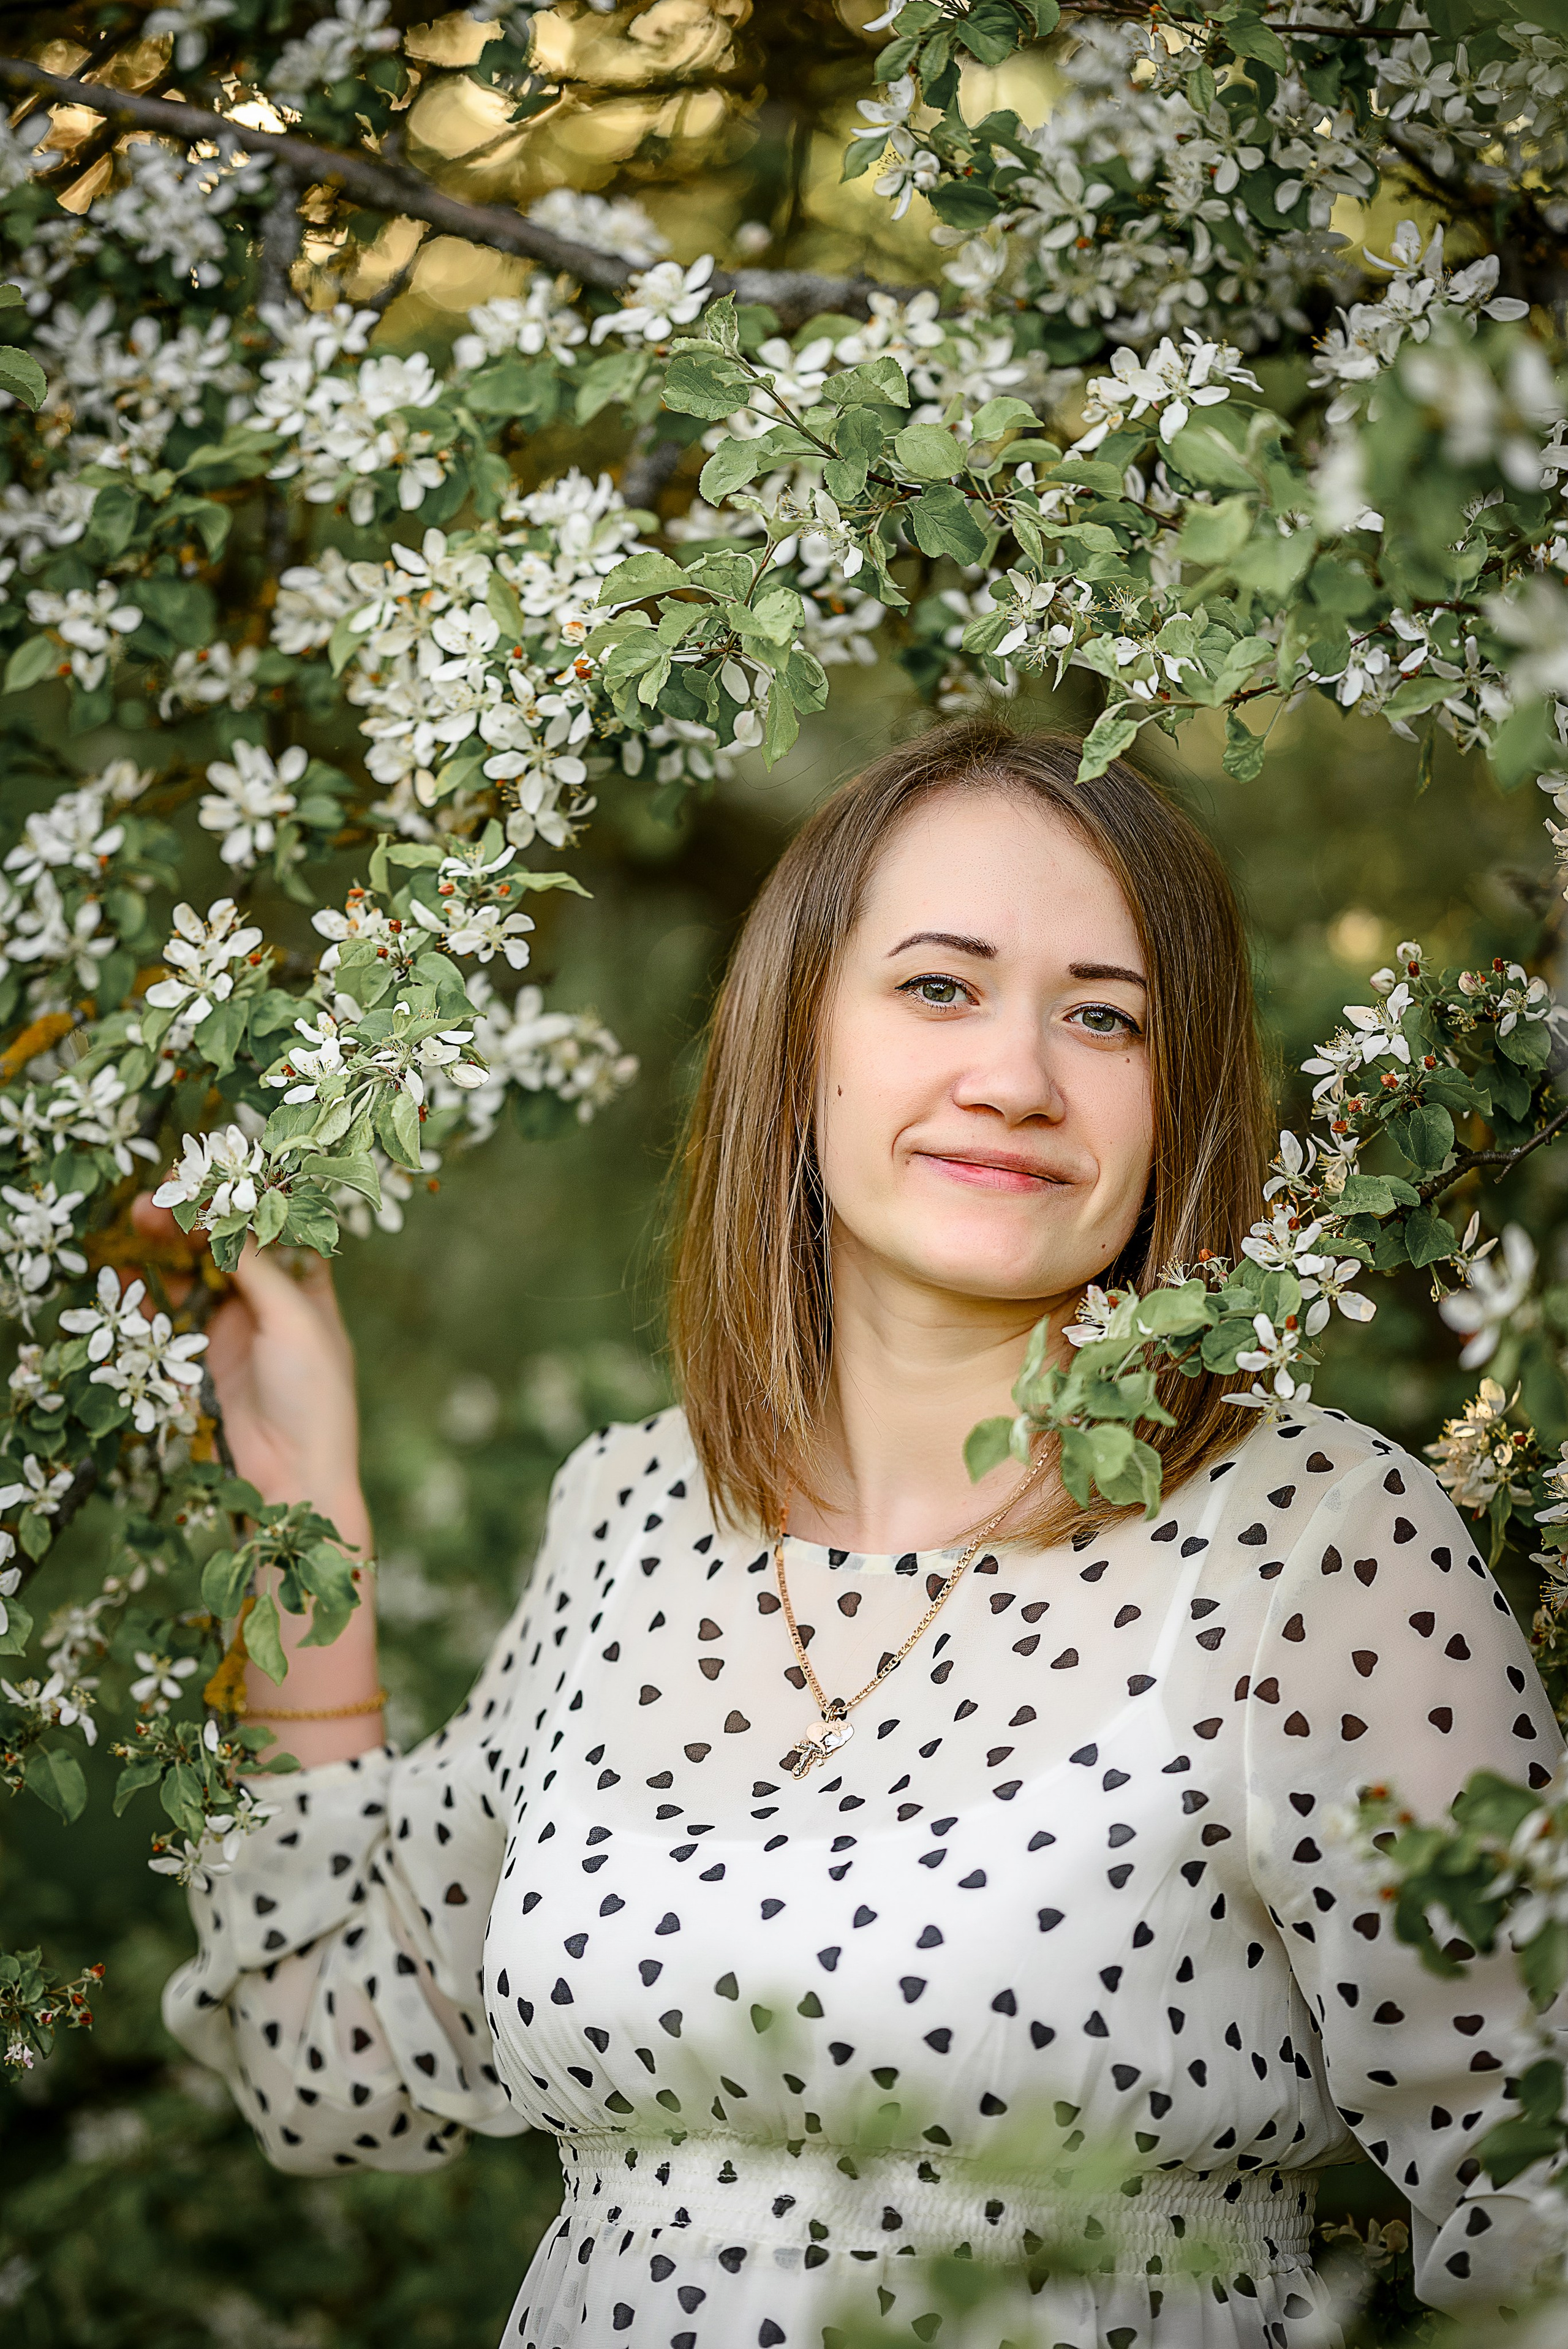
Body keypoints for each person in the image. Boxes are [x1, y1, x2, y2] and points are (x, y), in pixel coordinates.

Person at [164, 720, 1566, 2348]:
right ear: (798, 1036)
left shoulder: (1312, 1546)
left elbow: (1536, 2170)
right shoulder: (630, 1516)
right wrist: (297, 1517)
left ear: (1178, 1090)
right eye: (940, 986)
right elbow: (332, 2061)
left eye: (1105, 1016)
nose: (1016, 1076)